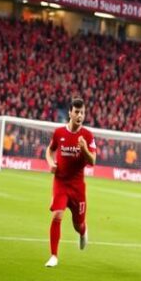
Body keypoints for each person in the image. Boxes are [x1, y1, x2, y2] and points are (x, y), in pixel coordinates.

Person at [44, 97, 96, 268]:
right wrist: (51, 163)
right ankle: (54, 256)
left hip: (77, 186)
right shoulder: (59, 133)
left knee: (78, 224)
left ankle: (83, 232)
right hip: (60, 182)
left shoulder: (87, 136)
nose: (80, 115)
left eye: (82, 112)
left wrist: (84, 149)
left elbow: (93, 161)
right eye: (77, 112)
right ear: (70, 113)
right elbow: (49, 150)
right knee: (57, 214)